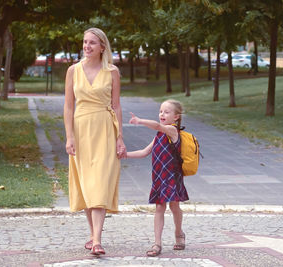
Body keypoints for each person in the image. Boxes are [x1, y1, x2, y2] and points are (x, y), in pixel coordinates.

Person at [63, 27, 126, 256]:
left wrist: (120, 137)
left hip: (104, 130)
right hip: (80, 130)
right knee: (87, 184)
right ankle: (92, 234)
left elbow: (117, 105)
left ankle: (97, 240)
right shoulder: (73, 71)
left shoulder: (112, 72)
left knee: (99, 182)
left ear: (102, 47)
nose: (87, 46)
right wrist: (69, 136)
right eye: (84, 42)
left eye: (92, 43)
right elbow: (69, 106)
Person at [125, 99, 189, 257]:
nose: (162, 114)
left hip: (172, 176)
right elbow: (144, 152)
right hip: (159, 178)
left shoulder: (172, 131)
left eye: (167, 112)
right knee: (160, 207)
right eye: (161, 111)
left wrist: (139, 121)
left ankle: (179, 233)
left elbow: (158, 125)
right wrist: (123, 155)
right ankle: (157, 243)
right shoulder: (159, 134)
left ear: (176, 117)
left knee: (174, 206)